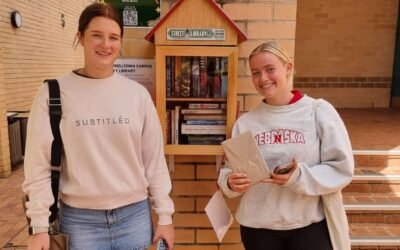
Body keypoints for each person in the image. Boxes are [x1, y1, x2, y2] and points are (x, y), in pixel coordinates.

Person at [22, 3, 174, 250]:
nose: (106, 45)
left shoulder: (137, 95)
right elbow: (37, 165)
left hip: (134, 218)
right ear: (80, 37)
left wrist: (165, 216)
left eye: (113, 37)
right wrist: (38, 227)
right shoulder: (52, 94)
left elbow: (153, 161)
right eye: (97, 35)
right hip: (80, 222)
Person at [217, 41, 354, 250]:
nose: (263, 78)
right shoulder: (245, 123)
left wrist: (298, 177)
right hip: (258, 229)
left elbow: (341, 169)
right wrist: (230, 183)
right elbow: (229, 172)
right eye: (255, 73)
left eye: (270, 69)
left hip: (309, 226)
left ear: (288, 68)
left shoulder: (318, 111)